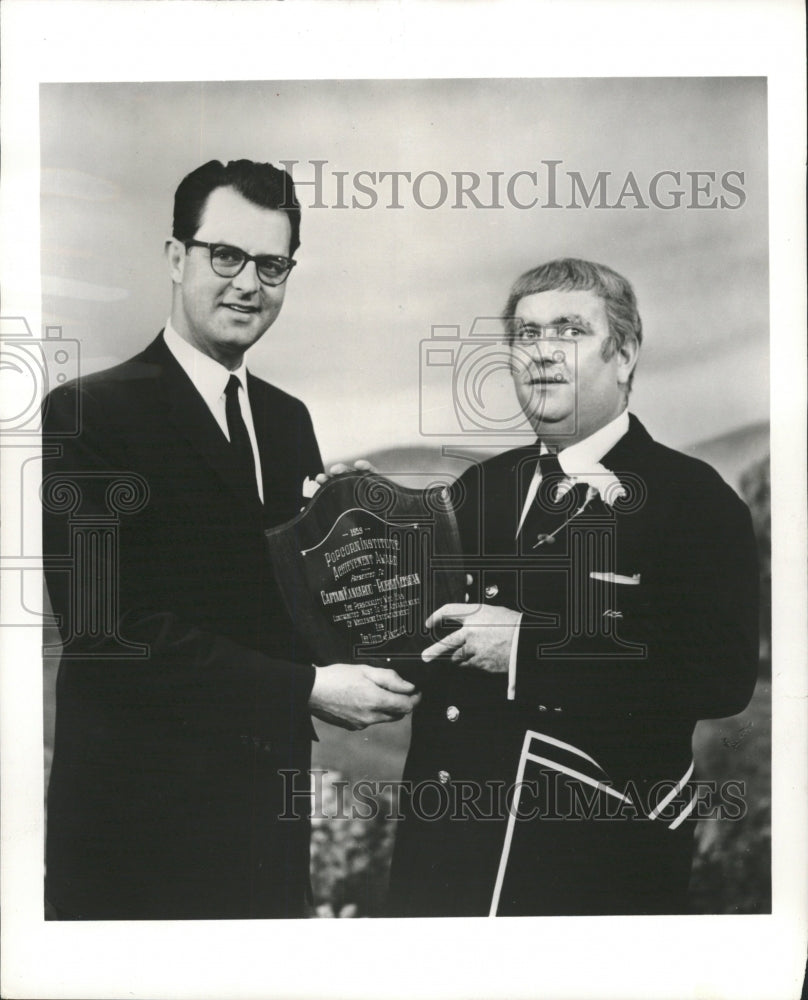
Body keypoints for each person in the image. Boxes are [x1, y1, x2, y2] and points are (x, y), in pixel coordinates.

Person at [42, 159, 419, 920]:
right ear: (176, 257)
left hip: (264, 827)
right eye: (227, 256)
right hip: (136, 839)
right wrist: (309, 689)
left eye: (272, 264)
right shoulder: (88, 414)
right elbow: (106, 634)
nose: (249, 283)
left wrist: (359, 552)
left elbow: (290, 610)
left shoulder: (288, 421)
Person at [387, 257, 759, 916]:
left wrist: (530, 650)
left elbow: (719, 677)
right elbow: (430, 639)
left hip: (594, 862)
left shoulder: (693, 499)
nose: (543, 354)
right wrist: (345, 543)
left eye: (569, 331)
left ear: (625, 353)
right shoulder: (479, 489)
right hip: (446, 855)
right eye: (526, 335)